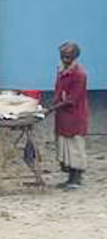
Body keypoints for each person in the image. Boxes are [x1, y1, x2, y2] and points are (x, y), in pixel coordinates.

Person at [51, 42, 89, 189]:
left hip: (75, 115)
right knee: (65, 146)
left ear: (75, 56)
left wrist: (51, 109)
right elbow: (59, 93)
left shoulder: (79, 74)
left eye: (68, 56)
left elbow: (72, 99)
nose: (65, 59)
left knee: (75, 146)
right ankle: (70, 178)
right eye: (63, 56)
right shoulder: (61, 71)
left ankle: (76, 178)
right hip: (63, 116)